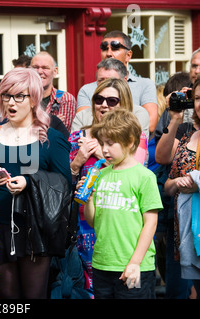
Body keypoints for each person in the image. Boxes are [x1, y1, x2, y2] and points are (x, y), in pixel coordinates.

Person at [0, 67, 71, 299]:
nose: (11, 102)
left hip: (34, 229)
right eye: (6, 95)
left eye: (19, 96)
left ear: (34, 99)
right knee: (6, 298)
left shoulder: (51, 137)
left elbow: (65, 185)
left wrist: (29, 182)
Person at [69, 77, 145, 297]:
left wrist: (99, 153)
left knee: (123, 289)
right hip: (83, 223)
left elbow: (134, 171)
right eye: (99, 99)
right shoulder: (78, 136)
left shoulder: (133, 136)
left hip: (119, 225)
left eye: (112, 100)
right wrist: (78, 161)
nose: (104, 105)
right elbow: (65, 180)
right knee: (89, 289)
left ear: (124, 104)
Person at [80, 109, 163, 299]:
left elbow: (151, 223)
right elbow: (93, 222)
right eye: (102, 143)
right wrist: (89, 199)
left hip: (135, 267)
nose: (105, 149)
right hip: (102, 264)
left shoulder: (144, 177)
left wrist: (135, 263)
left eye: (111, 143)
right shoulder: (100, 174)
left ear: (130, 141)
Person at [164, 74, 200, 299]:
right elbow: (168, 185)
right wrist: (178, 183)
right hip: (193, 233)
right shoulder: (189, 138)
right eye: (199, 98)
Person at [77, 31, 158, 133]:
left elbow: (149, 125)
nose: (109, 53)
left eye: (115, 48)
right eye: (104, 49)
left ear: (128, 55)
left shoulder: (145, 85)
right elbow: (83, 125)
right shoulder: (86, 90)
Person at [71, 58, 150, 139]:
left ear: (124, 81)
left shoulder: (138, 114)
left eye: (112, 101)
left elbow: (137, 149)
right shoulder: (82, 117)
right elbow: (74, 149)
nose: (106, 84)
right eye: (101, 80)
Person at [30, 51, 77, 131]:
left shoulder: (65, 99)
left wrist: (32, 124)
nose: (40, 72)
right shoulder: (22, 97)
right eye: (36, 67)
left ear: (55, 72)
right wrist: (53, 122)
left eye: (45, 68)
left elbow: (60, 134)